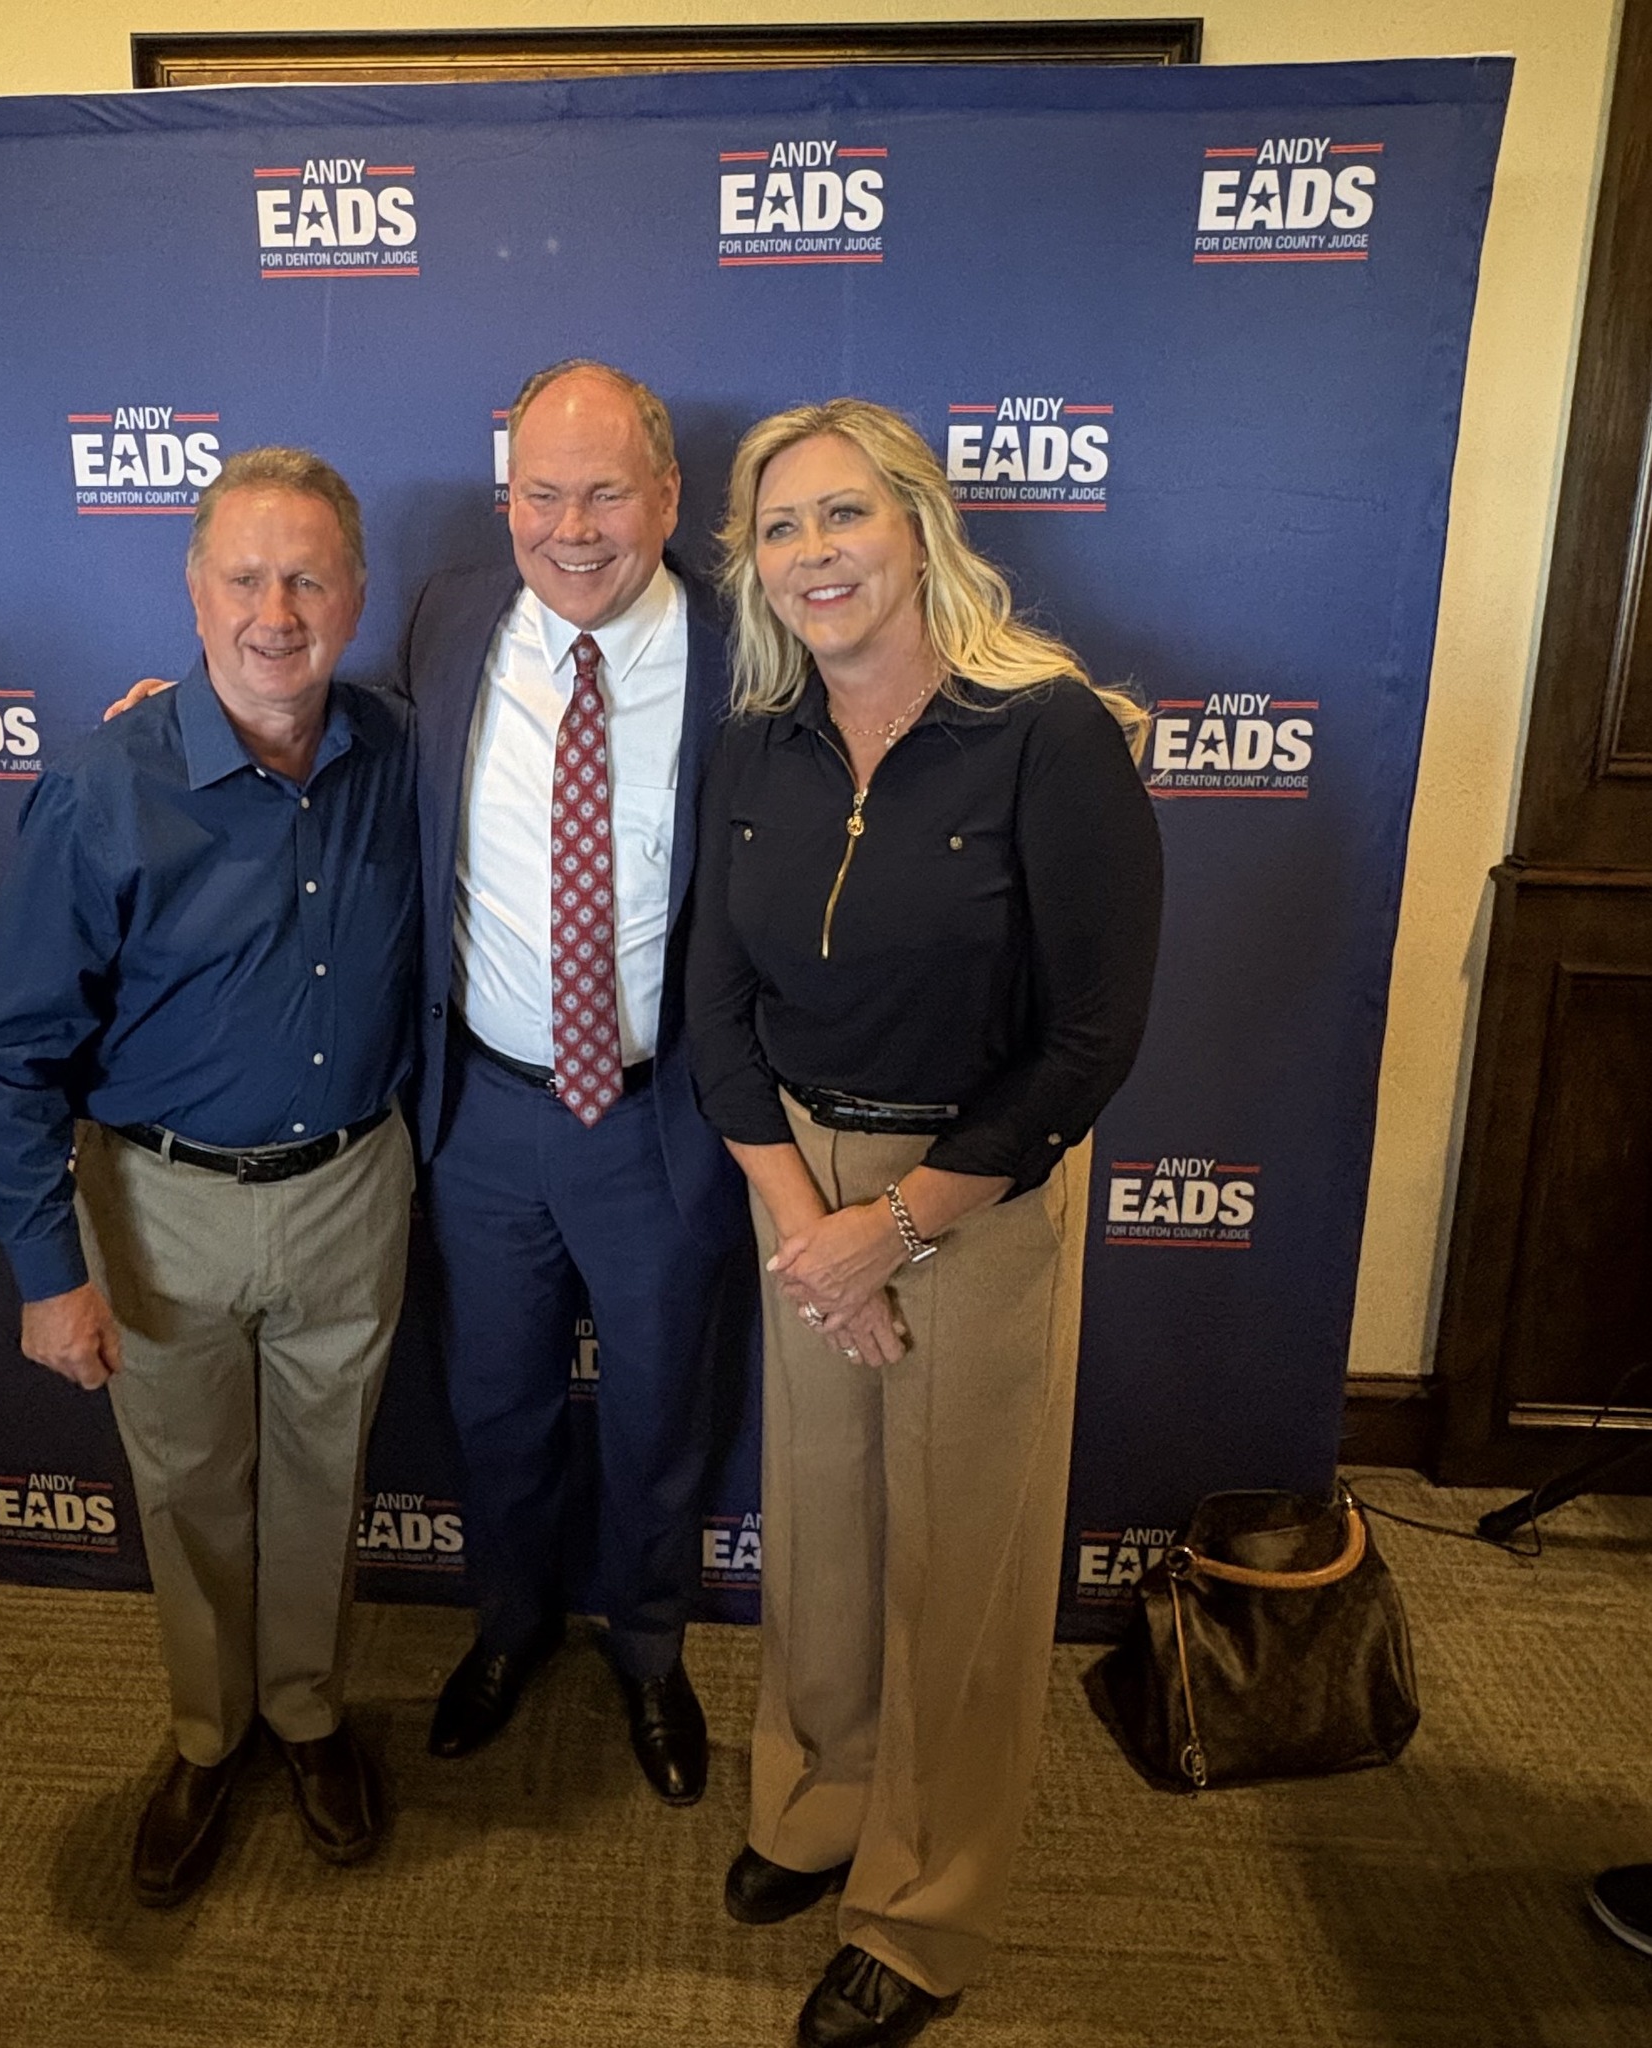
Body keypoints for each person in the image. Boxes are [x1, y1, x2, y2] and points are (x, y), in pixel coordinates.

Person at [685, 399, 1162, 2047]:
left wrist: (901, 1224)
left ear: (916, 528)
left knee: (956, 1561)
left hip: (977, 1186)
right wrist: (810, 1226)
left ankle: (922, 1907)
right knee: (820, 1533)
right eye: (780, 528)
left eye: (842, 517)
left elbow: (1089, 1036)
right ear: (752, 563)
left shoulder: (1046, 733)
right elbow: (714, 1009)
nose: (812, 554)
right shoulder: (755, 740)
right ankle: (819, 1806)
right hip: (799, 1192)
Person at [0, 447, 418, 1907]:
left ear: (355, 594)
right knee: (190, 1493)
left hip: (354, 1188)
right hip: (157, 1208)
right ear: (192, 589)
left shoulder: (414, 753)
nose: (274, 612)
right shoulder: (103, 782)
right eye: (243, 577)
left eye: (307, 577)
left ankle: (305, 1714)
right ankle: (209, 1736)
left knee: (320, 1480)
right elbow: (8, 1051)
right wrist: (48, 1275)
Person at [403, 360, 743, 1803]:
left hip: (664, 1114)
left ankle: (649, 1652)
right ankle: (507, 1625)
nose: (574, 524)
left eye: (607, 491)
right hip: (482, 1108)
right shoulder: (446, 621)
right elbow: (346, 754)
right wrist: (195, 716)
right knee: (493, 1404)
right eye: (542, 492)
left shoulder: (751, 649)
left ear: (667, 498)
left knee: (662, 1406)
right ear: (506, 502)